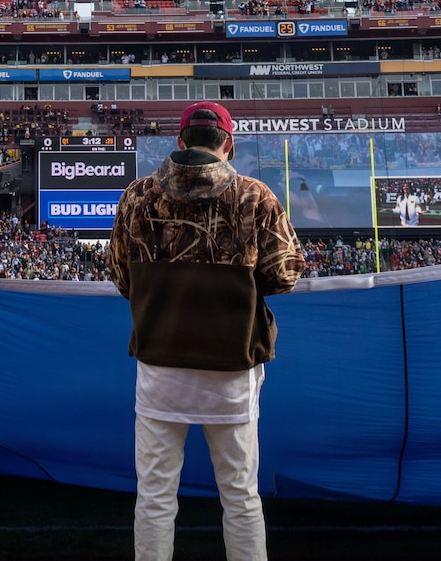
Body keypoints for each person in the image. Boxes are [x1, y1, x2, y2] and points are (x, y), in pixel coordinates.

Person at [107, 101, 304, 561]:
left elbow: (120, 276)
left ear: (180, 141)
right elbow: (284, 275)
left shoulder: (136, 196)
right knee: (240, 495)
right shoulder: (256, 196)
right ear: (228, 145)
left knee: (155, 497)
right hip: (231, 368)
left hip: (160, 365)